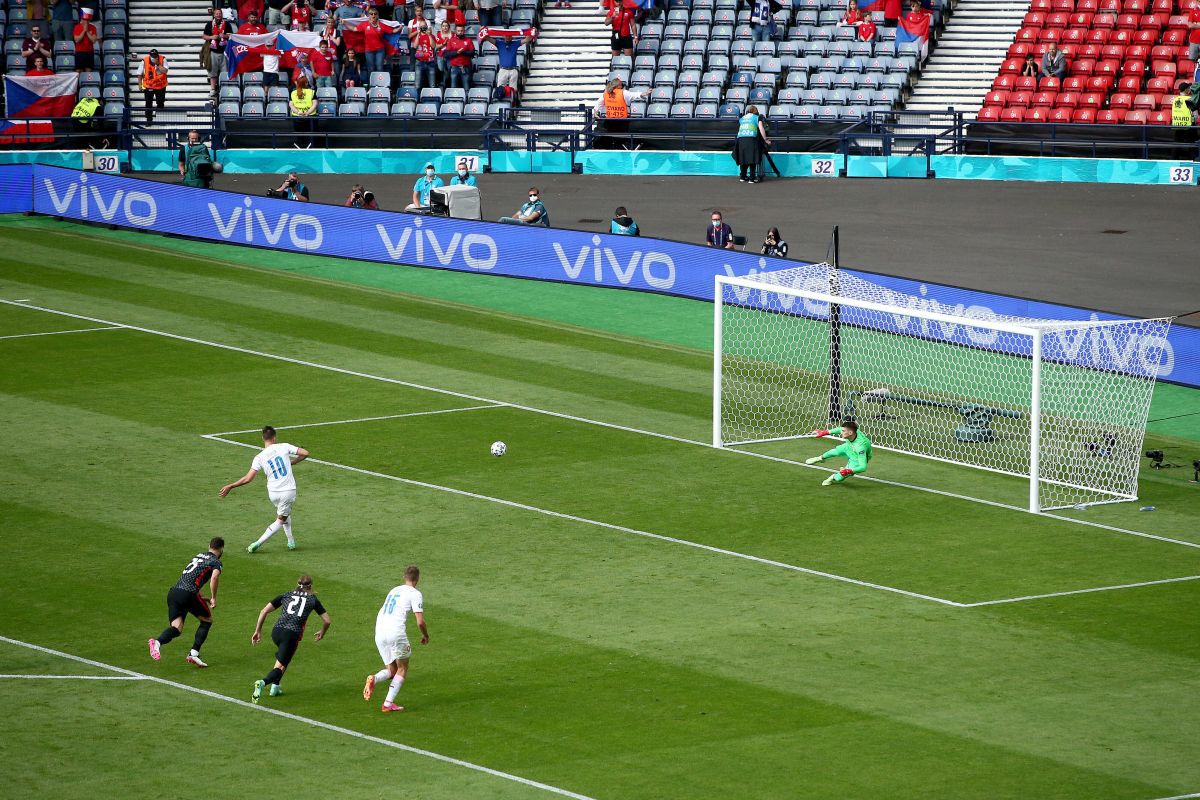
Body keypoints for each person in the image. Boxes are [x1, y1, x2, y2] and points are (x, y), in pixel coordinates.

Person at [218, 424, 310, 552]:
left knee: (284, 513)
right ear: (274, 437)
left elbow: (248, 478)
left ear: (263, 438)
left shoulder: (259, 457)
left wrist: (231, 485)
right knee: (280, 519)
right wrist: (292, 462)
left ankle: (291, 541)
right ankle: (257, 543)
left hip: (273, 493)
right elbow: (305, 453)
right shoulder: (284, 446)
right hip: (287, 491)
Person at [250, 575, 331, 704]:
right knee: (280, 667)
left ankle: (275, 688)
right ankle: (263, 682)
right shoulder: (312, 599)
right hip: (291, 634)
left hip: (276, 631)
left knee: (283, 659)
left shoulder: (286, 595)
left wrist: (257, 630)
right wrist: (322, 632)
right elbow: (327, 621)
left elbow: (264, 611)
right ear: (310, 586)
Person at [147, 537, 224, 668]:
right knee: (207, 620)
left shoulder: (198, 556)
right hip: (188, 594)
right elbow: (214, 577)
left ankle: (157, 643)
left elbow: (191, 579)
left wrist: (204, 598)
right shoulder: (216, 562)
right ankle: (194, 653)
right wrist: (213, 597)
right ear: (222, 549)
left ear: (209, 546)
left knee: (176, 628)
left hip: (174, 593)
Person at [364, 565, 429, 713]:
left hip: (379, 632)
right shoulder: (415, 594)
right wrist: (425, 635)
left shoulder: (394, 590)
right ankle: (387, 704)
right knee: (403, 668)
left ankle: (374, 678)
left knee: (392, 670)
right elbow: (420, 622)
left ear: (404, 577)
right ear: (418, 578)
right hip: (395, 633)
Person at [805, 419, 873, 486]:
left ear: (850, 433)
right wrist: (825, 432)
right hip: (849, 446)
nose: (841, 432)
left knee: (840, 478)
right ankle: (820, 458)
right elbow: (838, 429)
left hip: (856, 457)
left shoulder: (860, 447)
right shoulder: (852, 431)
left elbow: (863, 467)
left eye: (843, 431)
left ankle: (832, 477)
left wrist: (848, 471)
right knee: (834, 451)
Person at [483, 27, 535, 98]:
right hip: (503, 70)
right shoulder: (499, 43)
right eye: (506, 36)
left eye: (509, 36)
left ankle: (513, 103)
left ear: (512, 37)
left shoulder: (515, 43)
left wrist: (533, 31)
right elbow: (488, 38)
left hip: (513, 70)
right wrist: (482, 30)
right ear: (503, 36)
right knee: (500, 90)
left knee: (513, 91)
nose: (507, 37)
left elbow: (527, 39)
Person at [734, 104, 770, 183]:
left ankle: (742, 177)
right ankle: (752, 178)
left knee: (743, 158)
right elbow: (761, 128)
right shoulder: (757, 117)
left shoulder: (742, 118)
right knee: (752, 158)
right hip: (751, 139)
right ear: (756, 111)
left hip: (740, 140)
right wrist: (765, 139)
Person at [203, 7, 230, 99]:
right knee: (212, 72)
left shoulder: (227, 24)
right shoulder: (209, 24)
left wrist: (224, 36)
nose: (218, 15)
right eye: (217, 14)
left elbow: (231, 35)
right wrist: (212, 37)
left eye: (220, 13)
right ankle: (213, 89)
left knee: (225, 72)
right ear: (214, 15)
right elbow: (204, 36)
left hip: (224, 52)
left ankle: (225, 89)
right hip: (213, 52)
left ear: (222, 15)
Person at [138, 49, 169, 123]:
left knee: (160, 102)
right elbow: (139, 74)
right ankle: (149, 120)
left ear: (157, 55)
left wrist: (158, 64)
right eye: (152, 56)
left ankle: (160, 119)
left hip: (160, 86)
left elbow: (165, 71)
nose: (154, 57)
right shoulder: (144, 60)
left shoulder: (163, 59)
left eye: (155, 56)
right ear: (150, 55)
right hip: (149, 85)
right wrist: (140, 85)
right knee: (148, 103)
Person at [443, 22, 474, 90]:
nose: (460, 32)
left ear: (464, 31)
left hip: (465, 68)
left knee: (466, 88)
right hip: (454, 68)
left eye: (461, 31)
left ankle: (466, 97)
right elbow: (446, 54)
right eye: (458, 31)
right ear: (455, 31)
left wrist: (463, 52)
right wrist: (457, 52)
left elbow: (472, 53)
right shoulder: (451, 40)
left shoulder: (468, 40)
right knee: (453, 88)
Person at [411, 16, 437, 91]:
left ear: (427, 26)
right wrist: (418, 34)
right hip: (419, 62)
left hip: (430, 62)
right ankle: (417, 98)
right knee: (417, 85)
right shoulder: (417, 36)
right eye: (421, 26)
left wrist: (429, 35)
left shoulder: (431, 36)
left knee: (432, 85)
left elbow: (433, 46)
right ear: (419, 27)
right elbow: (415, 46)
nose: (423, 28)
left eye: (424, 26)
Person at [361, 7, 389, 77]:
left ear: (377, 15)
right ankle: (371, 83)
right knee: (370, 68)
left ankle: (380, 83)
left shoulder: (382, 24)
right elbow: (354, 29)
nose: (373, 15)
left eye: (375, 14)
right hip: (369, 50)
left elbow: (392, 31)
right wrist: (345, 23)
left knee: (380, 68)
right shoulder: (365, 24)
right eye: (371, 14)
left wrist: (400, 27)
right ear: (369, 15)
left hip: (380, 50)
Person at [72, 8, 98, 73]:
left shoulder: (93, 27)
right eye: (84, 20)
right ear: (81, 19)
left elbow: (93, 40)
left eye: (87, 20)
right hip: (79, 53)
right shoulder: (77, 27)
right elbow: (77, 40)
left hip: (89, 52)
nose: (86, 21)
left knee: (88, 72)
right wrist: (84, 31)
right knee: (78, 71)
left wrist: (87, 31)